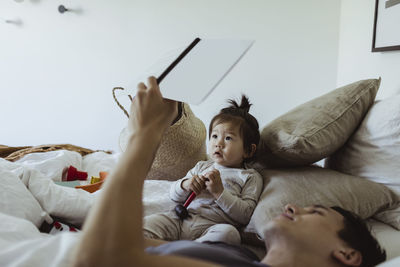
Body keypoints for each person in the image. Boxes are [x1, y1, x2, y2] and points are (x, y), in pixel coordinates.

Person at [72, 77, 386, 267]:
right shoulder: (243, 258)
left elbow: (104, 257)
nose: (292, 206)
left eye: (315, 212)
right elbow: (122, 243)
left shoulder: (248, 184)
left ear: (346, 255)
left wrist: (146, 134)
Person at [143, 94, 263, 245]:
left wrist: (219, 192)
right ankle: (169, 249)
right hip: (180, 218)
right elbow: (174, 196)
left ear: (248, 151)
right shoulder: (202, 166)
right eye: (214, 136)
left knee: (229, 234)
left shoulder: (249, 176)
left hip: (210, 227)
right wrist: (185, 184)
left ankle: (188, 251)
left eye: (228, 138)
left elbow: (245, 215)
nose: (218, 143)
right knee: (144, 225)